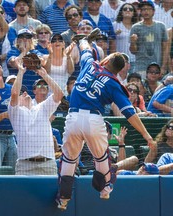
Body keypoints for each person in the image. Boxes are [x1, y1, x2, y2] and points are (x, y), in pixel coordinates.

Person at [56, 28, 155, 211]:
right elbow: (130, 114)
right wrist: (147, 136)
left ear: (107, 60)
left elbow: (84, 48)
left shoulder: (90, 64)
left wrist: (85, 40)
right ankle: (105, 189)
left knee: (69, 160)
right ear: (118, 71)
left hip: (73, 117)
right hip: (93, 119)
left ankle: (63, 199)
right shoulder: (114, 83)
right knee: (102, 157)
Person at [8, 62, 64, 175]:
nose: (24, 93)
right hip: (25, 165)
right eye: (21, 93)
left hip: (47, 164)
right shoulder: (15, 112)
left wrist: (45, 75)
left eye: (25, 91)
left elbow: (59, 94)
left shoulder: (42, 107)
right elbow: (14, 93)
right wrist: (20, 71)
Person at [129, 0, 168, 78]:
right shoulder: (135, 27)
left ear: (153, 11)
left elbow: (165, 48)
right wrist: (133, 42)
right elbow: (133, 51)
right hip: (141, 67)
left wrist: (163, 67)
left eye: (148, 9)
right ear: (140, 12)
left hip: (157, 67)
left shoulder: (161, 26)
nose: (146, 11)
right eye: (143, 9)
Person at [6, 28, 44, 97]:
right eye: (22, 37)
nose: (25, 39)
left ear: (31, 40)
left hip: (34, 93)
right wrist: (24, 51)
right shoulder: (13, 52)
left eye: (28, 37)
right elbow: (14, 63)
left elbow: (42, 62)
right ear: (17, 40)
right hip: (17, 92)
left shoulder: (36, 52)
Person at [113, 2, 139, 74]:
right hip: (119, 60)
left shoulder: (137, 26)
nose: (128, 10)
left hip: (134, 60)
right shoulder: (115, 25)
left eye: (130, 9)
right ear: (121, 12)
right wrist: (115, 34)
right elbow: (110, 41)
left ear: (133, 13)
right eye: (125, 9)